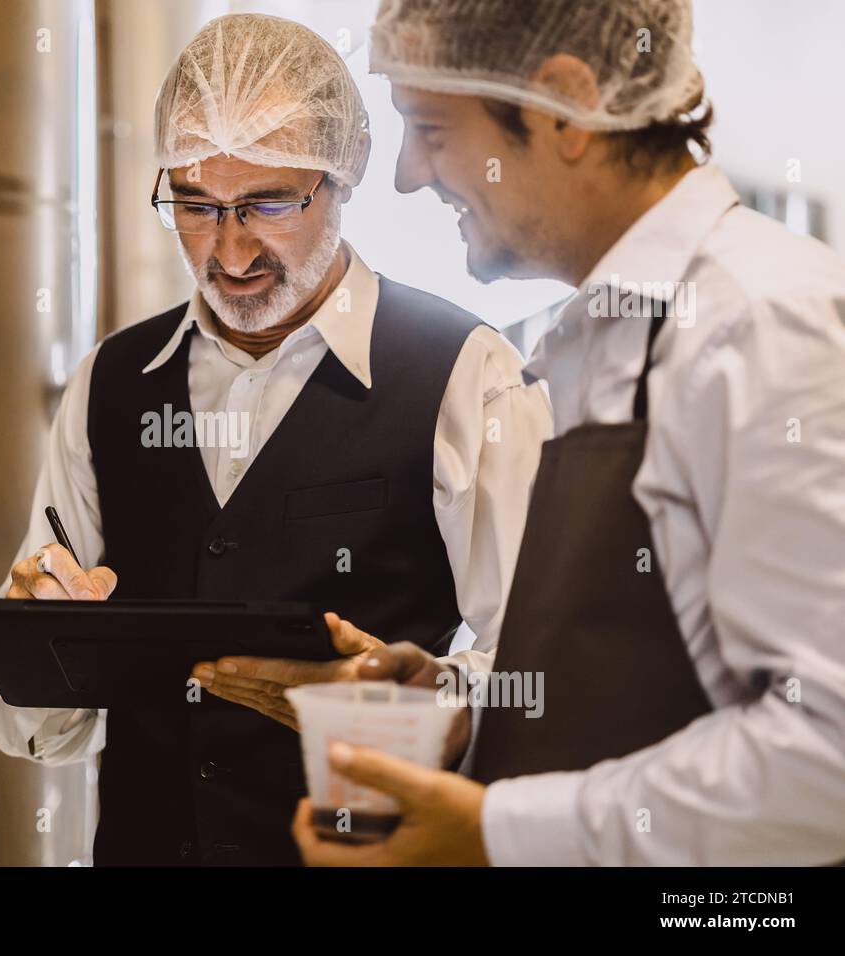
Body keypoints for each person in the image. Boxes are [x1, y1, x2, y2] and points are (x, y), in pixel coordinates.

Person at [0, 12, 552, 866]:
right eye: (196, 204)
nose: (231, 246)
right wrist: (41, 641)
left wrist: (412, 708)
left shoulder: (466, 374)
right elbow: (33, 729)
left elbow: (545, 685)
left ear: (340, 179)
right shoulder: (109, 384)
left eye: (268, 202)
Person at [293, 0, 845, 866]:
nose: (405, 175)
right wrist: (465, 702)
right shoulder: (599, 336)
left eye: (430, 127)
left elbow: (827, 755)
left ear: (562, 104)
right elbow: (643, 686)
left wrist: (494, 833)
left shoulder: (763, 325)